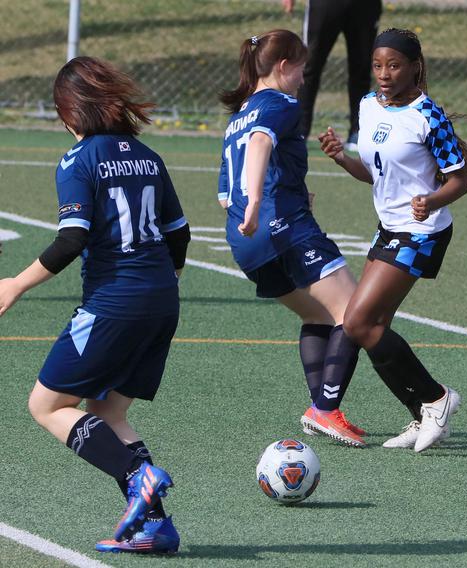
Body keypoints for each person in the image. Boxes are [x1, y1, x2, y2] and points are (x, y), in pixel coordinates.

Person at [0, 57, 191, 554]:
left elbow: (70, 240)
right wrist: (160, 283)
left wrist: (14, 284)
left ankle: (137, 476)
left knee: (46, 405)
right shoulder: (148, 156)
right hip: (162, 300)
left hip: (114, 302)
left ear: (71, 112)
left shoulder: (77, 159)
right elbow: (180, 234)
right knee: (108, 411)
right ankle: (157, 528)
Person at [318, 28, 467, 452]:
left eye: (394, 65)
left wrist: (430, 201)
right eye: (378, 65)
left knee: (358, 323)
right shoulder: (368, 107)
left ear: (415, 67)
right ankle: (421, 415)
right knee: (374, 325)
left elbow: (460, 180)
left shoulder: (428, 115)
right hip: (389, 228)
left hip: (422, 232)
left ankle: (436, 398)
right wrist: (342, 157)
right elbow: (372, 172)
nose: (384, 74)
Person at [218, 29, 369, 447]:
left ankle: (322, 407)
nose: (304, 79)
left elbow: (223, 192)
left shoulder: (238, 117)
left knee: (317, 317)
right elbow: (261, 141)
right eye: (302, 69)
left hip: (246, 244)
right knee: (355, 314)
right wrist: (256, 205)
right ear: (283, 67)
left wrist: (254, 208)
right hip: (284, 227)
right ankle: (324, 409)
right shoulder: (279, 103)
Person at [282, 0, 383, 149]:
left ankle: (357, 131)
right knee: (308, 65)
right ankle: (299, 131)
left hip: (364, 6)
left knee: (361, 67)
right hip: (326, 4)